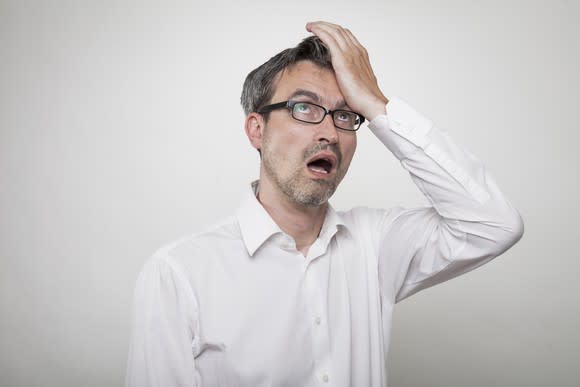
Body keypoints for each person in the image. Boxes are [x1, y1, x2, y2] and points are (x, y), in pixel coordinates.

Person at [125, 21, 524, 387]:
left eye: (346, 115)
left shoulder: (375, 246)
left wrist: (377, 104)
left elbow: (494, 224)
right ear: (256, 129)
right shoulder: (178, 275)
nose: (330, 133)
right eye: (305, 108)